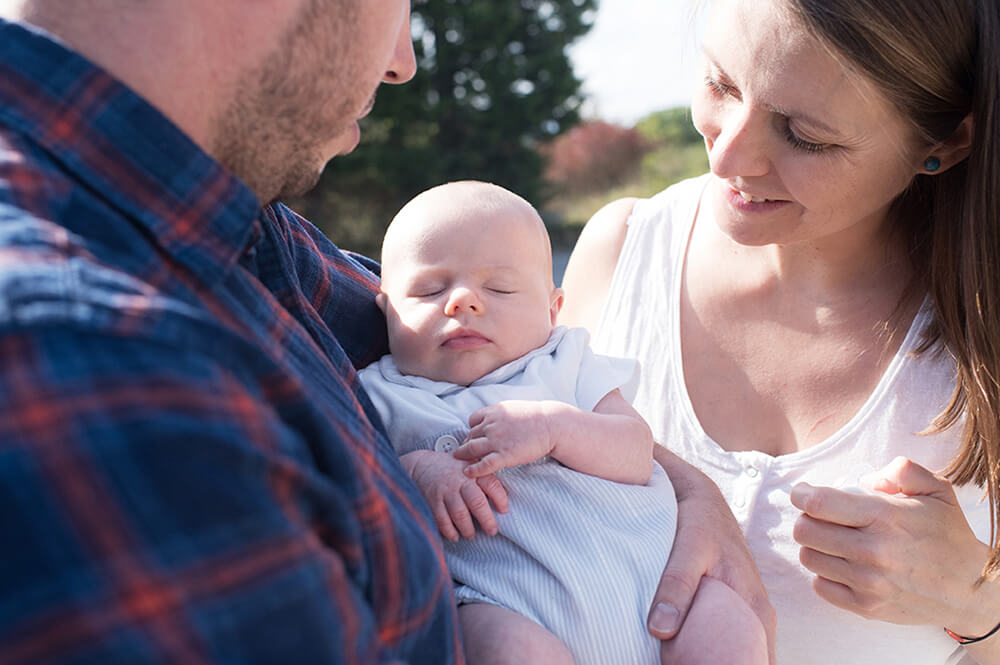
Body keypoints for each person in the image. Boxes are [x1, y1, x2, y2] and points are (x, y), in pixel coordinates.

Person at [0, 1, 775, 663]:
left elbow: (496, 357)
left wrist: (684, 485)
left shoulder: (238, 232)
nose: (402, 62)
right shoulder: (89, 366)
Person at [559, 0, 1000, 663]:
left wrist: (981, 602)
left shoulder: (985, 340)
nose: (728, 155)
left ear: (943, 143)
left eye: (804, 135)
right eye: (721, 84)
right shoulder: (620, 254)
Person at [358, 180, 768, 665]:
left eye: (500, 287)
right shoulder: (377, 393)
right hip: (511, 604)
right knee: (506, 651)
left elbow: (636, 452)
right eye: (430, 289)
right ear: (385, 308)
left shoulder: (565, 359)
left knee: (731, 629)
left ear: (553, 310)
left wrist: (557, 428)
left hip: (655, 589)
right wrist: (418, 470)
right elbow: (361, 481)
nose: (464, 302)